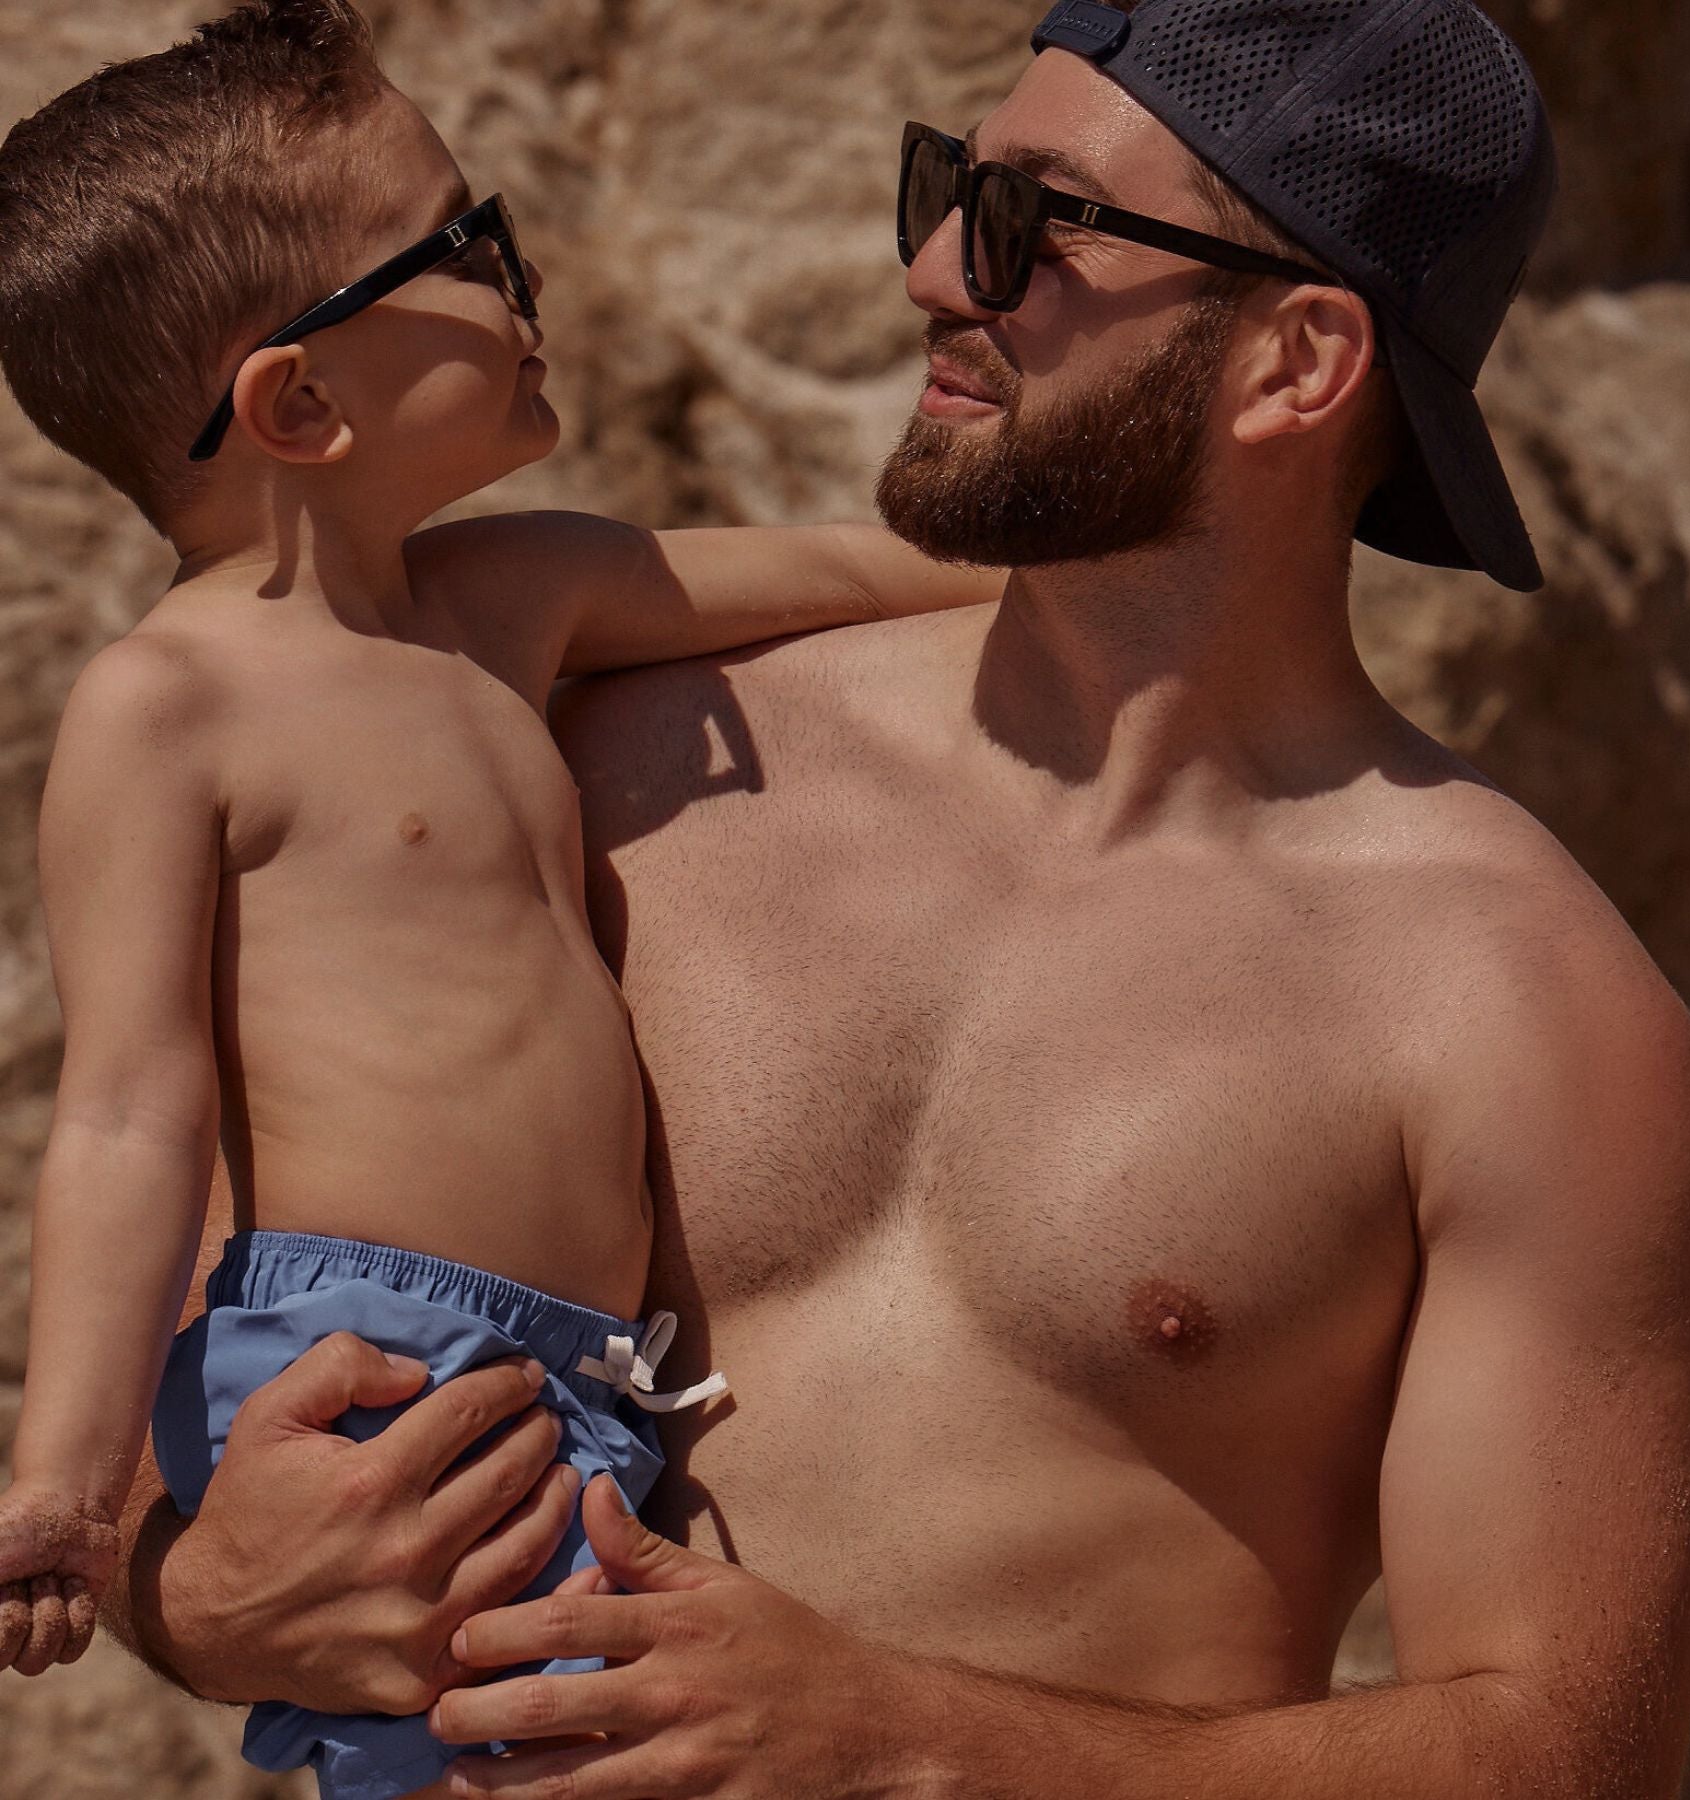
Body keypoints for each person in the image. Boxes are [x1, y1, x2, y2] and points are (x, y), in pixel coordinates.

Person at [110, 3, 1690, 1797]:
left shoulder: (1520, 1012)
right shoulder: (611, 771)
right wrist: (196, 1590)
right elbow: (197, 1375)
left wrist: (909, 1739)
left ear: (1298, 360)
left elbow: (1569, 1753)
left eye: (1038, 225)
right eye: (950, 186)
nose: (931, 271)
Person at [0, 3, 998, 1795]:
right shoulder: (169, 707)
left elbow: (878, 577)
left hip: (576, 1374)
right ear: (296, 401)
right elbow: (130, 1113)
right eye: (469, 250)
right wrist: (67, 1488)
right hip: (373, 1359)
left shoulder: (514, 597)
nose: (522, 279)